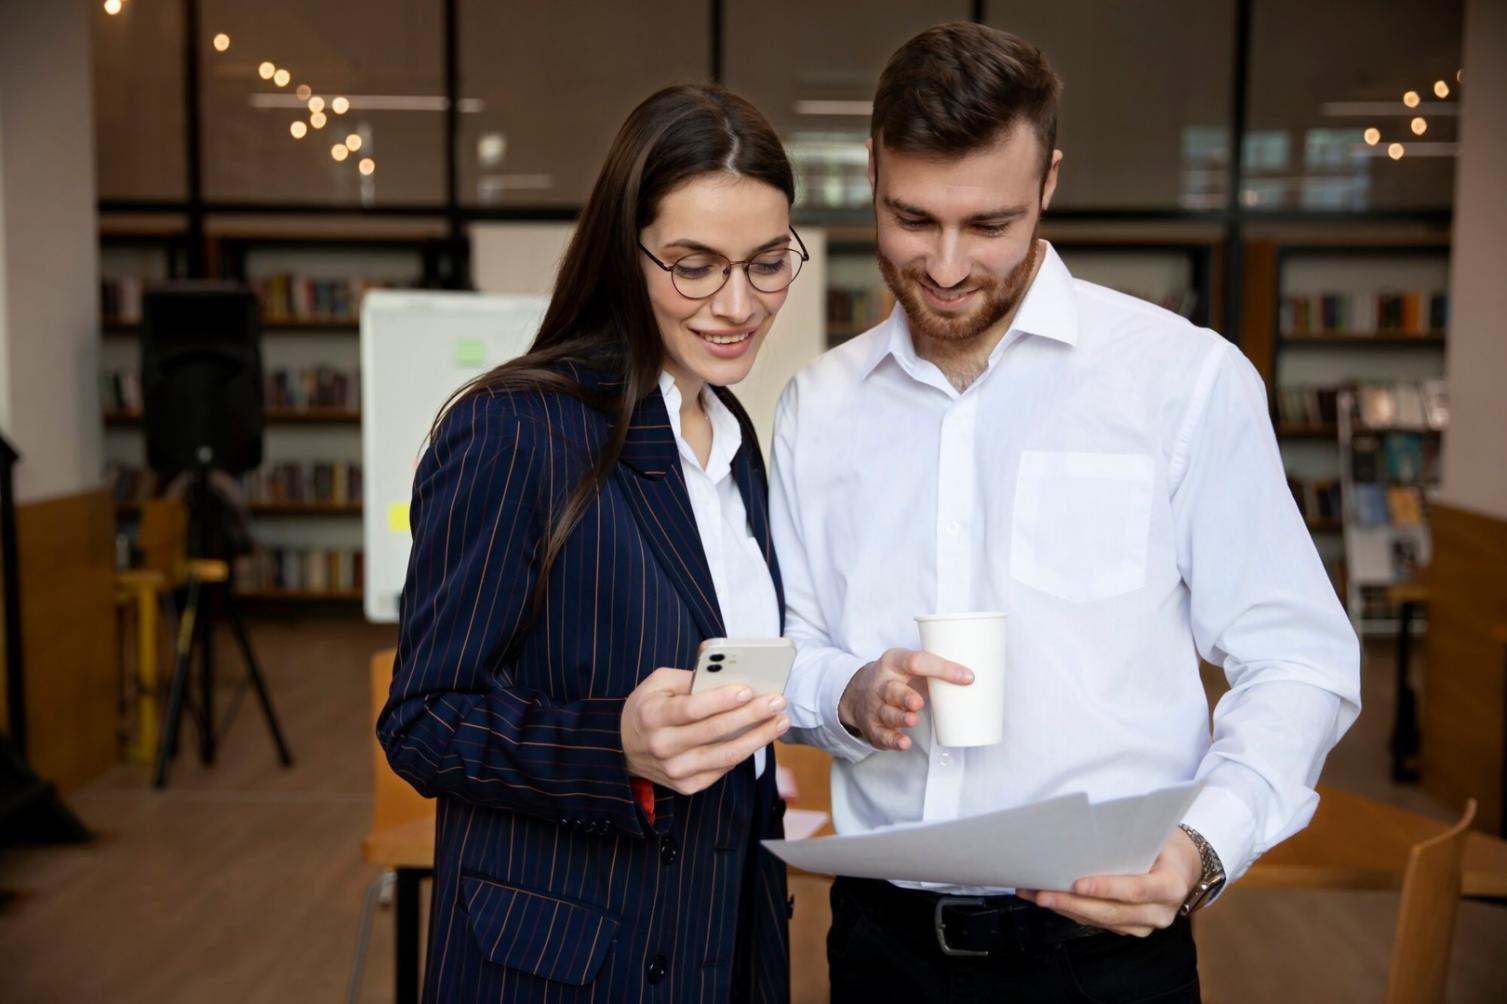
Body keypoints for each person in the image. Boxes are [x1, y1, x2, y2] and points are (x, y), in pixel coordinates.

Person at [771, 22, 1361, 1003]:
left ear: (1048, 181)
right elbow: (781, 644)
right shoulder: (817, 406)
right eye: (912, 219)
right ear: (870, 171)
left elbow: (1296, 656)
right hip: (882, 945)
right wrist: (844, 690)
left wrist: (1201, 844)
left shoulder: (1182, 380)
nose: (948, 266)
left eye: (989, 224)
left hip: (1105, 952)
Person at [378, 83, 809, 1003]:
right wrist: (611, 741)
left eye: (767, 263)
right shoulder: (514, 429)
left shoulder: (735, 439)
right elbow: (420, 721)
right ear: (625, 254)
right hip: (562, 967)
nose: (738, 303)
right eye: (693, 265)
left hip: (720, 941)